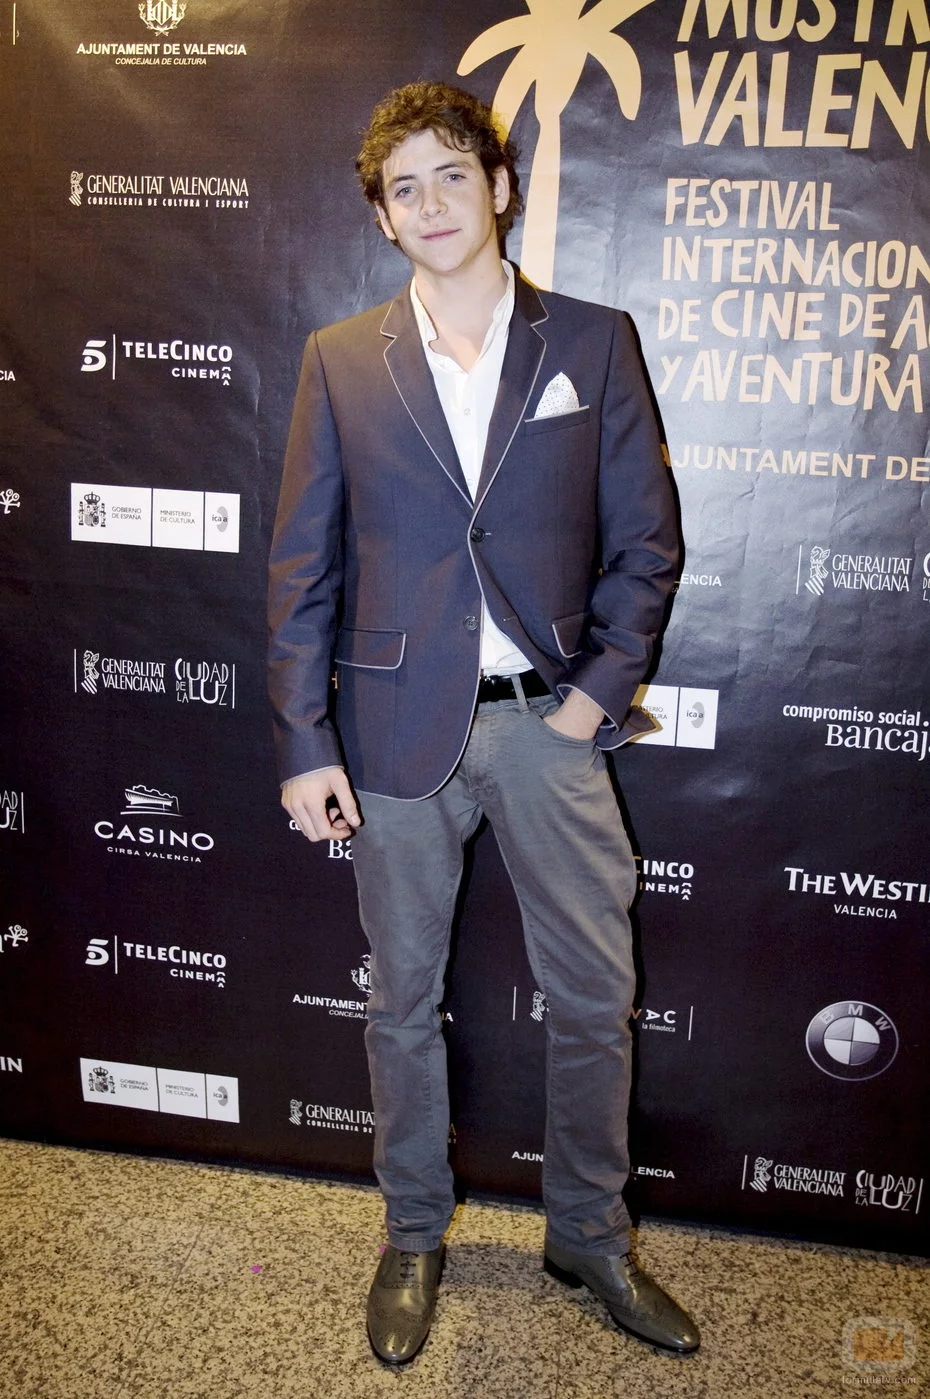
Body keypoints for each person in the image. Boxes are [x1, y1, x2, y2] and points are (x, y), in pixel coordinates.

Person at [268, 80, 699, 1366]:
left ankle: (590, 1235)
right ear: (383, 219)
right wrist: (305, 741)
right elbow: (303, 568)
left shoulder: (595, 342)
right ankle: (413, 1233)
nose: (431, 203)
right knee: (400, 998)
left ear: (499, 188)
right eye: (403, 188)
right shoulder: (341, 359)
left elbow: (647, 542)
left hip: (548, 725)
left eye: (452, 174)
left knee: (594, 992)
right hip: (392, 730)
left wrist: (596, 694)